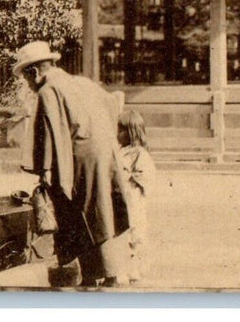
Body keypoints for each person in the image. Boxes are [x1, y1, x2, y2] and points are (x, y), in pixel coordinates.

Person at [15, 41, 131, 286]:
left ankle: (97, 275)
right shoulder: (81, 82)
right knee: (103, 210)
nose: (28, 85)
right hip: (104, 152)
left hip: (79, 157)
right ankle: (108, 273)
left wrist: (45, 170)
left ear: (34, 72)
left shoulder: (49, 90)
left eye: (26, 79)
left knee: (80, 214)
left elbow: (49, 132)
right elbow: (113, 102)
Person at [117, 108, 156, 283]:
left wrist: (128, 179)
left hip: (133, 197)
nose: (117, 134)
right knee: (122, 234)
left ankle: (135, 269)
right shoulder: (120, 152)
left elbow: (146, 177)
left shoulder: (139, 153)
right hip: (121, 197)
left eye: (121, 130)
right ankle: (124, 268)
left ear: (131, 132)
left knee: (135, 233)